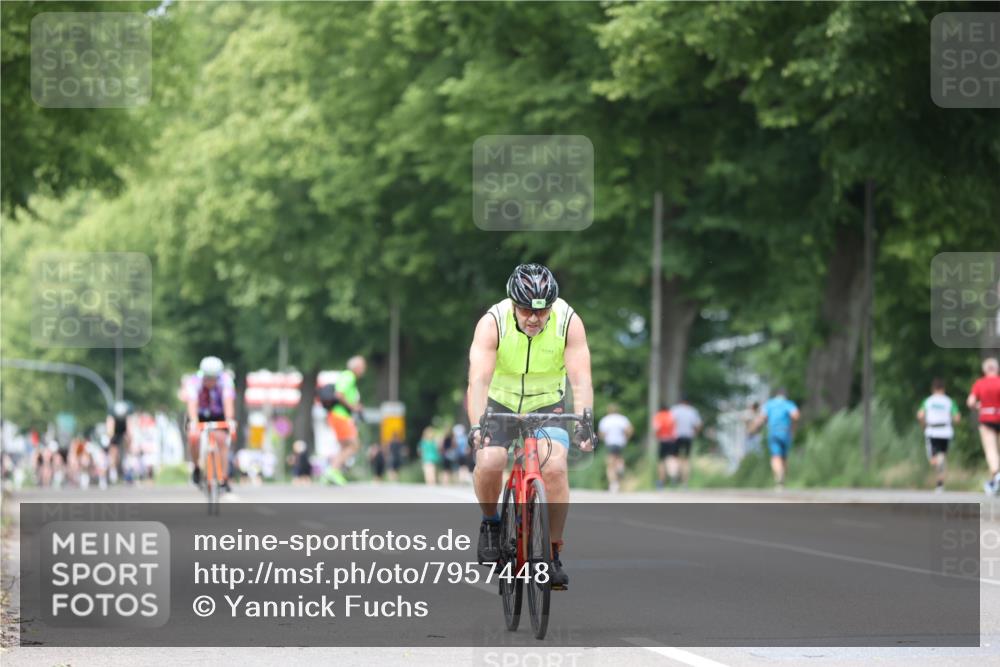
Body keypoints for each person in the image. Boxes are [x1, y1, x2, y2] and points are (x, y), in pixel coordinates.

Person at [467, 263, 593, 590]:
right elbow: (478, 380)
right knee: (490, 460)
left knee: (554, 467)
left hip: (546, 404)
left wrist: (584, 420)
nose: (535, 318)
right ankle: (491, 523)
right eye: (526, 310)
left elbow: (580, 378)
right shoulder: (493, 323)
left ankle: (551, 553)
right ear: (512, 304)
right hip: (500, 402)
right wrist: (476, 426)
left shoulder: (568, 322)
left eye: (542, 311)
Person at [185, 356, 236, 490]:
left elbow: (228, 402)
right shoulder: (194, 381)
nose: (210, 381)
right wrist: (194, 423)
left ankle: (223, 478)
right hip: (200, 414)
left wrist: (229, 420)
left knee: (221, 440)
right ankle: (196, 467)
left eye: (213, 378)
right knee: (193, 437)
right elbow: (192, 403)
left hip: (218, 413)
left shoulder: (226, 381)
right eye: (207, 378)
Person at [324, 355, 367, 485]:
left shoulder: (348, 377)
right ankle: (332, 471)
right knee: (354, 444)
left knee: (344, 446)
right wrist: (353, 407)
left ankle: (333, 473)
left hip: (339, 415)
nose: (364, 369)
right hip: (341, 416)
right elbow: (339, 394)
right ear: (356, 367)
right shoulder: (349, 376)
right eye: (363, 366)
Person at [917, 378, 961, 493]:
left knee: (933, 459)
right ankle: (940, 485)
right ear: (944, 389)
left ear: (933, 389)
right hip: (946, 431)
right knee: (942, 456)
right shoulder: (949, 401)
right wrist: (952, 423)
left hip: (932, 431)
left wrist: (924, 425)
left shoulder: (928, 401)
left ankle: (937, 461)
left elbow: (920, 415)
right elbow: (957, 418)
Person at [755, 388, 800, 490]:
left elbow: (762, 417)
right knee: (784, 457)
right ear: (785, 395)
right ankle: (782, 478)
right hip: (785, 432)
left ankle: (779, 478)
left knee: (776, 456)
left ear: (776, 395)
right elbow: (796, 415)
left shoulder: (769, 404)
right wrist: (793, 426)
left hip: (774, 432)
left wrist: (757, 427)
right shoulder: (788, 403)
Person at [968, 357, 1000, 495]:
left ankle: (997, 476)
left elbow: (970, 402)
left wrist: (978, 406)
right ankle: (995, 482)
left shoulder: (980, 383)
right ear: (997, 369)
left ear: (985, 370)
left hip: (986, 419)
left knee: (991, 450)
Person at [667, 397, 702, 486]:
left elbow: (670, 422)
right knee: (686, 459)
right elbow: (698, 425)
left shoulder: (675, 409)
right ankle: (685, 481)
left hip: (676, 436)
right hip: (688, 437)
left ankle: (675, 474)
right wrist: (695, 434)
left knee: (675, 457)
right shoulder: (692, 411)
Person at [598, 404, 633, 493]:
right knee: (618, 458)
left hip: (610, 442)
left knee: (610, 464)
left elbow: (601, 433)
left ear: (609, 411)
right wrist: (626, 438)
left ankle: (613, 484)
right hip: (621, 442)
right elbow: (630, 430)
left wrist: (604, 439)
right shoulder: (623, 419)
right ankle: (620, 467)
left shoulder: (605, 420)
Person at [105, 400, 131, 485]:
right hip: (114, 435)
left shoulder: (127, 417)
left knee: (126, 448)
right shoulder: (111, 417)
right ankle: (113, 473)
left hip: (123, 434)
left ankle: (125, 467)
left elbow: (129, 430)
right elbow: (110, 431)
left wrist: (129, 440)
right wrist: (111, 437)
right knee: (113, 452)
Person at [653, 404, 676, 489]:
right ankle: (673, 474)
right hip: (672, 440)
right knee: (671, 458)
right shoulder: (671, 415)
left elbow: (656, 428)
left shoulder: (658, 416)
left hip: (662, 440)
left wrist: (656, 436)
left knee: (661, 462)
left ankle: (661, 481)